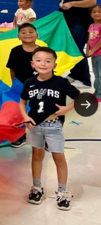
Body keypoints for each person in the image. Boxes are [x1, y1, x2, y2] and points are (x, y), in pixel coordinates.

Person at [20, 47, 80, 210]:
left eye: (48, 61)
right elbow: (22, 102)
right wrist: (25, 117)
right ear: (33, 64)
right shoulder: (29, 83)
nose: (43, 64)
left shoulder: (61, 82)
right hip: (35, 126)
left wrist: (66, 109)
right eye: (38, 60)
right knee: (36, 156)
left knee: (58, 158)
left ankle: (62, 192)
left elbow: (80, 98)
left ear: (54, 65)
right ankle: (37, 188)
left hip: (54, 127)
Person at [57, 0, 97, 88]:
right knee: (70, 47)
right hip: (65, 18)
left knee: (76, 48)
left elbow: (92, 1)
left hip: (79, 19)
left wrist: (72, 4)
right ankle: (75, 73)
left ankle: (85, 79)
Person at [6, 23, 40, 148]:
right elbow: (12, 69)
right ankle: (20, 135)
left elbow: (48, 68)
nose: (27, 34)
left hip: (38, 86)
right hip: (19, 85)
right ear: (18, 36)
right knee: (18, 110)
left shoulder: (41, 51)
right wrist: (14, 83)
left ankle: (40, 134)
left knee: (39, 110)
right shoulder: (15, 51)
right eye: (23, 32)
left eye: (31, 31)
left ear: (37, 35)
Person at [84, 5, 101, 100]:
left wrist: (93, 50)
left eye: (99, 11)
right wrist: (87, 50)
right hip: (94, 54)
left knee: (100, 74)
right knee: (96, 74)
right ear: (91, 14)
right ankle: (97, 91)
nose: (96, 13)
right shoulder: (91, 26)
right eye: (94, 12)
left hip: (99, 54)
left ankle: (100, 94)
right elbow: (89, 39)